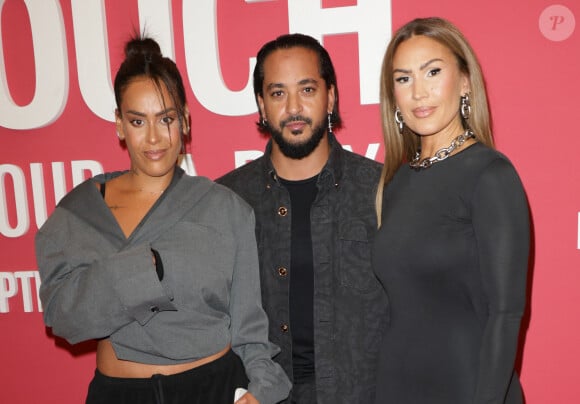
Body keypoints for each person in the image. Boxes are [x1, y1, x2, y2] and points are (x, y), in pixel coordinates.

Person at [35, 36, 290, 404]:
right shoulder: (83, 211)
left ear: (185, 120)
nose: (154, 137)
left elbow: (250, 331)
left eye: (166, 119)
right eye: (138, 121)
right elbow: (65, 318)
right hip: (119, 394)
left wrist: (260, 393)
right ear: (120, 125)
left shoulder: (226, 209)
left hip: (212, 389)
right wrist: (143, 269)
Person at [217, 34, 388, 404]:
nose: (294, 107)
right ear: (261, 105)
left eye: (307, 89)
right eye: (278, 93)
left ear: (330, 96)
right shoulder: (225, 201)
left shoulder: (381, 191)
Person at [373, 17, 530, 403]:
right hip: (399, 386)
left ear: (463, 82)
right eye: (404, 79)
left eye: (433, 72)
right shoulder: (394, 182)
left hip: (471, 387)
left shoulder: (490, 175)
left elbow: (505, 314)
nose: (419, 93)